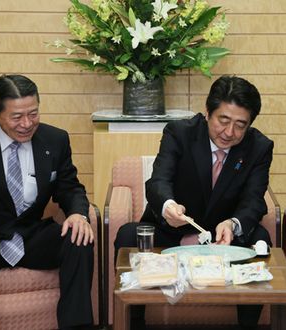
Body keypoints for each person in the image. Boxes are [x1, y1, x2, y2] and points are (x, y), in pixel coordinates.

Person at [115, 75, 274, 329]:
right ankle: (134, 323)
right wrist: (168, 206)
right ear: (208, 112)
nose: (229, 132)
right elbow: (158, 181)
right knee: (128, 235)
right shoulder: (180, 133)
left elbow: (254, 200)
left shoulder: (259, 147)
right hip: (171, 231)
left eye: (240, 125)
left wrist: (233, 224)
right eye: (223, 120)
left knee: (261, 239)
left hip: (223, 240)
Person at [0, 74, 94, 330]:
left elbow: (70, 187)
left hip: (30, 233)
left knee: (78, 238)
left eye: (33, 113)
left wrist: (77, 214)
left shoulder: (55, 139)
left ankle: (77, 326)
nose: (27, 124)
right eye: (17, 117)